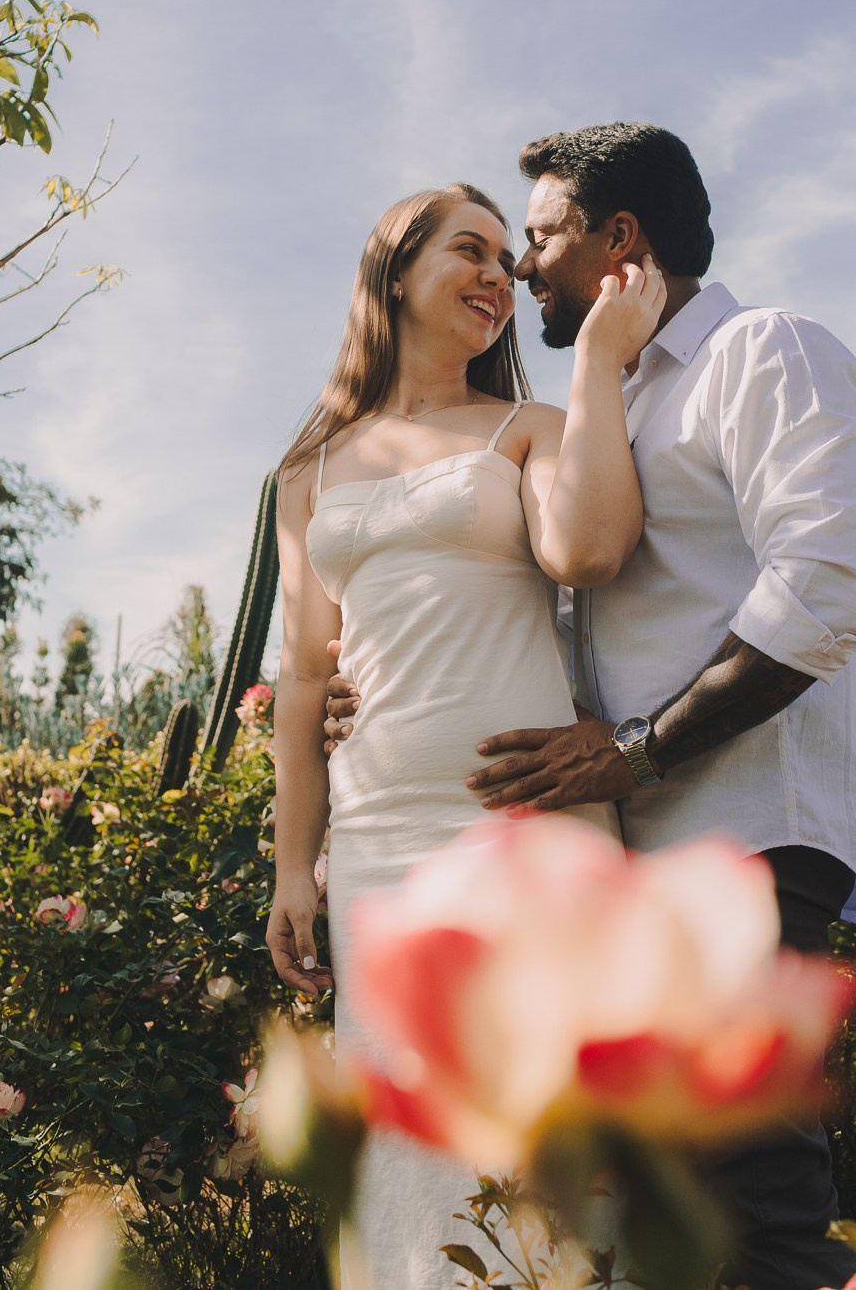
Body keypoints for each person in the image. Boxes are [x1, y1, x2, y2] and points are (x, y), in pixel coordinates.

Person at [326, 125, 856, 1290]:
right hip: (641, 846)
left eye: (538, 239)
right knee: (667, 1209)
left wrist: (637, 751)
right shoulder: (614, 404)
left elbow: (832, 585)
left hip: (746, 824)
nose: (524, 269)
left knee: (756, 1199)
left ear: (618, 241)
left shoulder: (760, 351)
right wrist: (361, 686)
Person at [264, 181, 665, 1289]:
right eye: (470, 251)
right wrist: (296, 868)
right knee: (409, 1158)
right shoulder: (306, 473)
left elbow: (592, 548)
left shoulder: (525, 427)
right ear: (395, 273)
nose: (502, 275)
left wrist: (591, 361)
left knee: (553, 1156)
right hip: (384, 848)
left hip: (529, 837)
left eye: (508, 256)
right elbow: (305, 677)